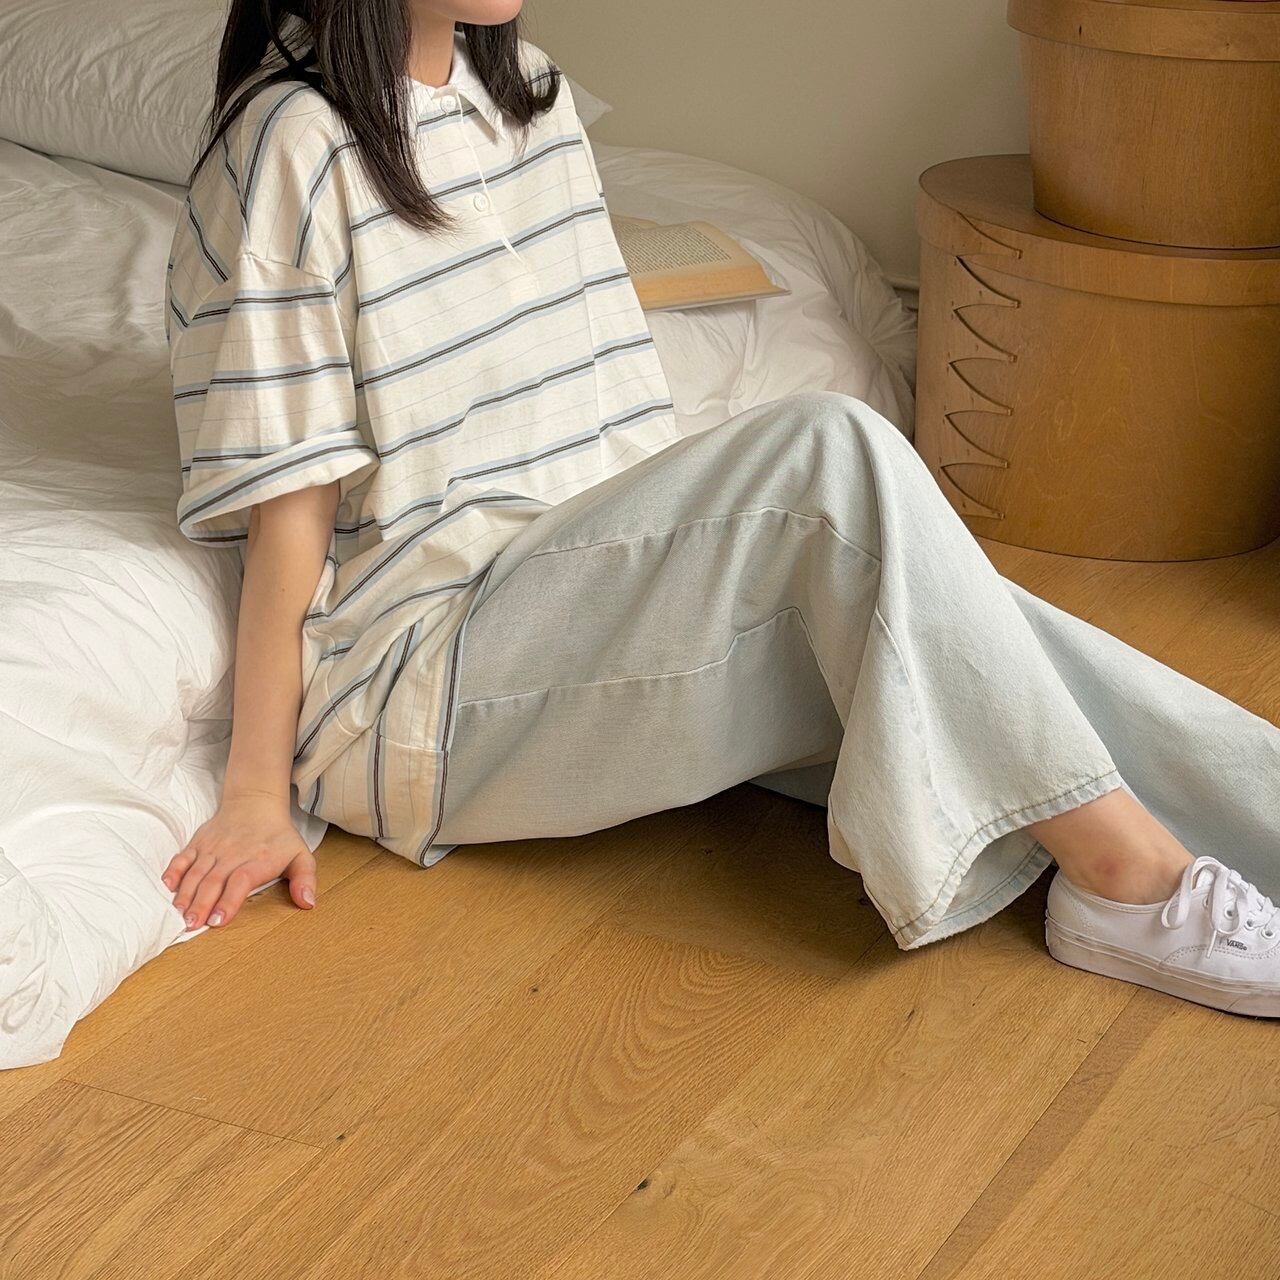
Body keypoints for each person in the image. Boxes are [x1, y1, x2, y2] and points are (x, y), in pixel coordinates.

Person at [162, 0, 1280, 1015]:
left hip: (586, 600)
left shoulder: (528, 98)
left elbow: (612, 421)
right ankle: (1123, 880)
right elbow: (289, 501)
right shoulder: (292, 141)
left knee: (955, 616)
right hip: (425, 681)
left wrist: (694, 571)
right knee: (831, 455)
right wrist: (256, 788)